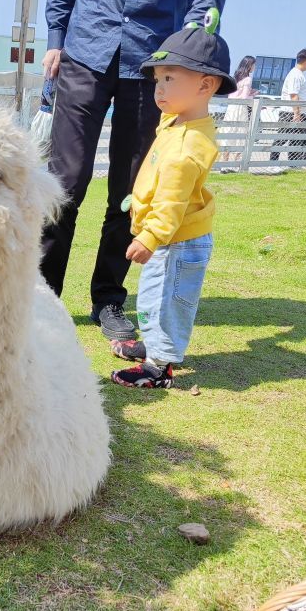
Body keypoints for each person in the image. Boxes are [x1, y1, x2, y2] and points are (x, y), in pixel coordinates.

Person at [40, 0, 251, 342]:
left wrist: (193, 55)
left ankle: (109, 299)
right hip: (88, 37)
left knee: (135, 188)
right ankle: (38, 297)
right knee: (63, 178)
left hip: (159, 54)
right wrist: (55, 33)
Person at [110, 20, 236, 389]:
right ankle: (155, 346)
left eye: (170, 79)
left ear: (204, 85)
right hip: (172, 239)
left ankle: (159, 366)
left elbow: (172, 201)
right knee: (156, 297)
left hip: (176, 241)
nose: (159, 89)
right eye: (158, 80)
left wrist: (150, 237)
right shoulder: (180, 124)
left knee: (166, 300)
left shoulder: (186, 147)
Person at [271, 48, 306, 161]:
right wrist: (297, 113)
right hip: (291, 112)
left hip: (295, 112)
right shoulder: (296, 75)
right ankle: (272, 161)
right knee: (282, 138)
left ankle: (292, 163)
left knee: (296, 139)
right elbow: (293, 95)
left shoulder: (298, 74)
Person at [224, 55, 256, 160]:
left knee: (229, 132)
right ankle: (236, 163)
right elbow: (244, 98)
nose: (254, 67)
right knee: (241, 134)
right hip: (240, 109)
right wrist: (253, 95)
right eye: (254, 65)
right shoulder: (248, 79)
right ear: (249, 65)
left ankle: (224, 161)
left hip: (231, 107)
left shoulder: (235, 77)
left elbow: (233, 94)